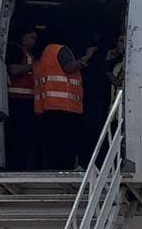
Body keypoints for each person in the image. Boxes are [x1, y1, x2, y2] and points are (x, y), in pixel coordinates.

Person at [33, 38, 96, 169]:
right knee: (67, 142)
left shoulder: (43, 56)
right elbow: (69, 67)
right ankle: (66, 168)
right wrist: (86, 57)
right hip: (64, 107)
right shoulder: (59, 49)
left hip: (47, 107)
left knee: (54, 143)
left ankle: (56, 167)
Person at [6, 29, 38, 170]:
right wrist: (34, 66)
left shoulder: (30, 54)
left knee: (28, 136)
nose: (33, 41)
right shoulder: (15, 49)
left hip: (29, 100)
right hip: (17, 99)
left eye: (35, 39)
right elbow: (13, 69)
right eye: (30, 37)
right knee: (18, 135)